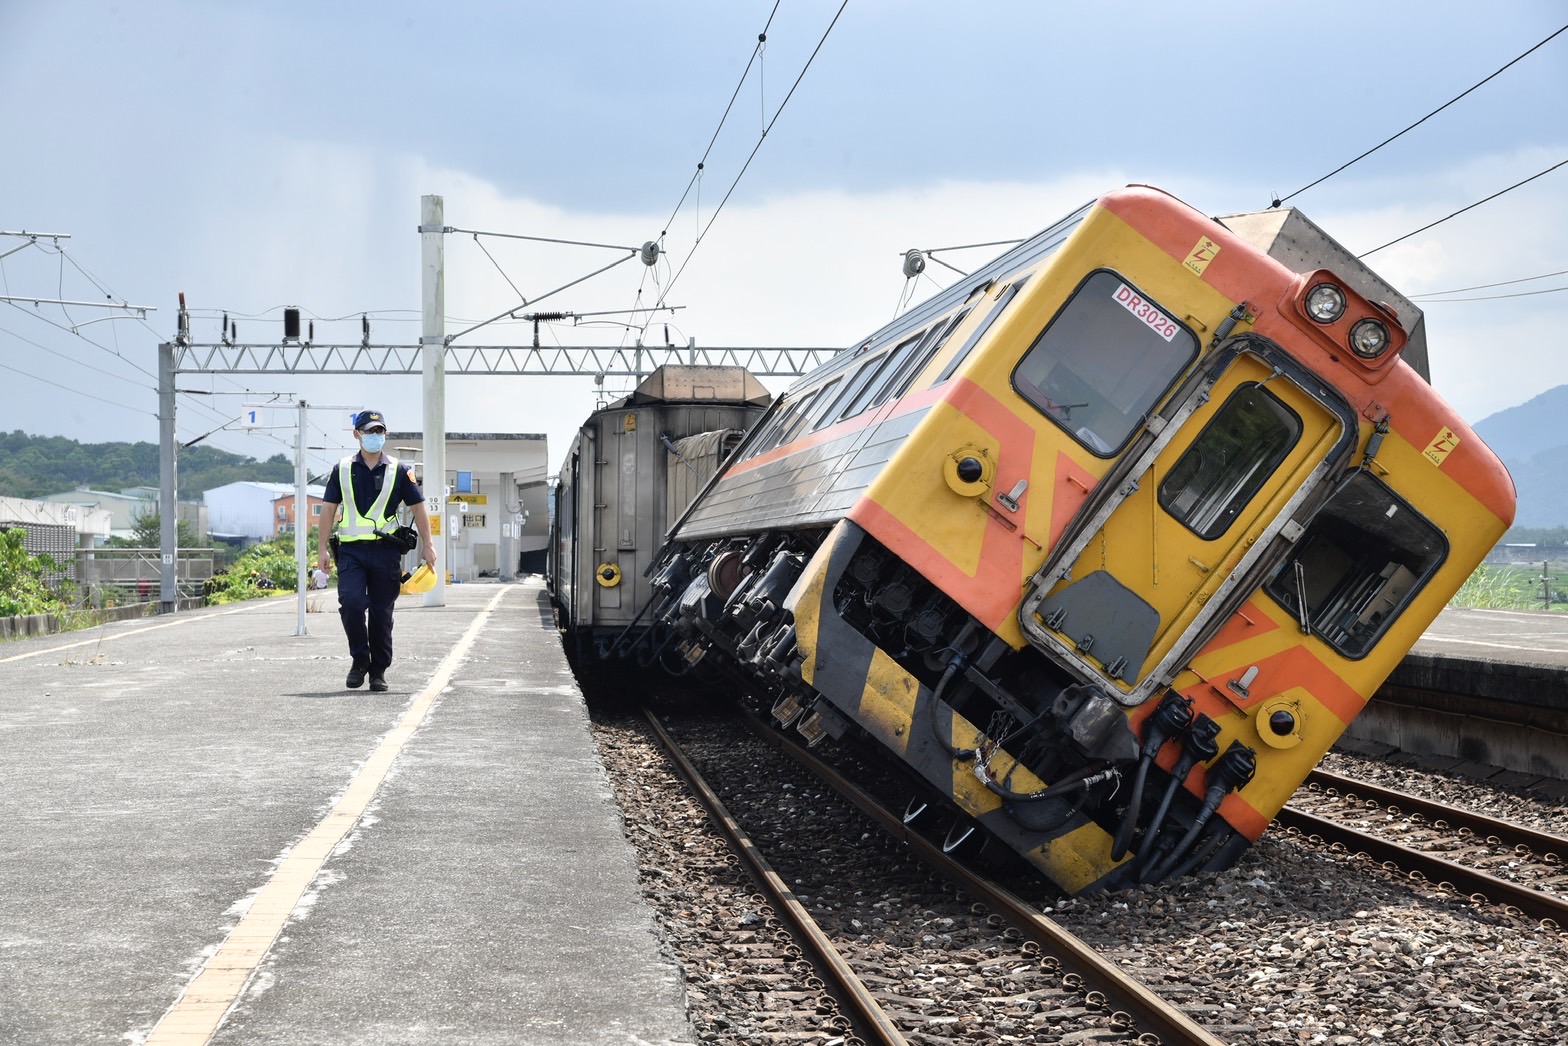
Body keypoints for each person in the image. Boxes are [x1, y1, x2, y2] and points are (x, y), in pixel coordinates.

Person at [316, 409, 437, 692]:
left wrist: (428, 545)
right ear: (357, 434)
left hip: (386, 552)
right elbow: (328, 510)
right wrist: (321, 548)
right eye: (369, 431)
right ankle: (360, 660)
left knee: (382, 612)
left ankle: (378, 671)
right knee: (352, 604)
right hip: (351, 553)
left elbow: (418, 507)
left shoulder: (400, 469)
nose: (375, 436)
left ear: (386, 434)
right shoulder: (342, 469)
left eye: (379, 431)